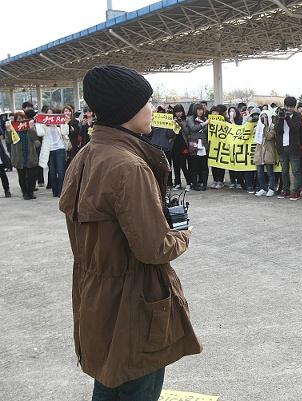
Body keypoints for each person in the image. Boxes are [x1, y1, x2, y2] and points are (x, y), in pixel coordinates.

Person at [59, 65, 201, 401]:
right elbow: (154, 248)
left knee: (110, 380)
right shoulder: (130, 166)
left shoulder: (86, 156)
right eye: (147, 102)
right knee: (136, 384)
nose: (153, 109)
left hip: (95, 294)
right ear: (127, 110)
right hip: (134, 301)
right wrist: (183, 234)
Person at [35, 109, 70, 198]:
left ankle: (61, 191)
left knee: (61, 172)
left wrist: (65, 122)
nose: (50, 116)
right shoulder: (43, 127)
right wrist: (38, 122)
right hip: (49, 151)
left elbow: (65, 132)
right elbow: (40, 133)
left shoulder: (59, 126)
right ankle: (55, 191)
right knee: (52, 173)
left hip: (60, 149)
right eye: (48, 114)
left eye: (52, 114)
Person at [275, 96, 302, 200]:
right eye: (287, 106)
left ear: (294, 106)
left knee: (296, 171)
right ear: (285, 105)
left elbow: (295, 128)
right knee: (284, 171)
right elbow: (278, 130)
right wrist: (281, 118)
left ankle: (296, 191)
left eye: (291, 107)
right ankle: (286, 190)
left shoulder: (297, 116)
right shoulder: (279, 115)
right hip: (282, 147)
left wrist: (287, 118)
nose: (289, 109)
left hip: (294, 147)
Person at [7, 112, 38, 200]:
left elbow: (36, 140)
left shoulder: (29, 129)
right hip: (19, 157)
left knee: (32, 176)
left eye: (22, 118)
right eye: (18, 119)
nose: (21, 121)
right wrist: (9, 130)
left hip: (30, 155)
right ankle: (25, 193)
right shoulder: (13, 130)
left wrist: (32, 128)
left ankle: (30, 192)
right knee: (22, 176)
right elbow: (9, 141)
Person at [186, 103, 209, 191]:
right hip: (194, 144)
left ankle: (204, 184)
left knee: (204, 165)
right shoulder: (190, 119)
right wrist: (204, 124)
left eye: (201, 110)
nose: (200, 111)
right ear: (195, 110)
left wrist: (206, 125)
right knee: (194, 166)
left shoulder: (205, 119)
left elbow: (207, 131)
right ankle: (195, 184)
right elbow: (192, 128)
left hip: (203, 144)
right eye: (198, 110)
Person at [254, 110, 276, 197]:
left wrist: (266, 126)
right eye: (262, 117)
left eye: (266, 117)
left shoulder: (272, 127)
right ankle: (262, 188)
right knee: (259, 172)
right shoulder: (258, 126)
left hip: (268, 151)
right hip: (259, 152)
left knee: (270, 172)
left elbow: (269, 137)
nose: (264, 119)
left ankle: (271, 188)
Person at [170, 104, 191, 191]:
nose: (178, 113)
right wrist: (173, 124)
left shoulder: (185, 120)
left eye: (180, 111)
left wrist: (180, 123)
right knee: (176, 166)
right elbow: (170, 134)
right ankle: (178, 183)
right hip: (174, 145)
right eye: (177, 112)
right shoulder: (172, 121)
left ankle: (189, 183)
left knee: (183, 165)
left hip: (183, 145)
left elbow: (187, 132)